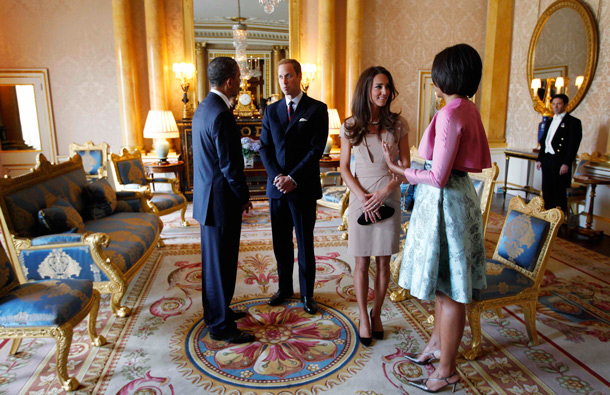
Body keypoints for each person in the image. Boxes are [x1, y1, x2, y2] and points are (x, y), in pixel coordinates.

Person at [383, 43, 491, 392]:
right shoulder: (468, 107)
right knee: (448, 285)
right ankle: (435, 346)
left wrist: (401, 170)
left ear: (446, 75)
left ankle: (447, 370)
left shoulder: (449, 112)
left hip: (446, 203)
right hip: (461, 200)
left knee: (448, 291)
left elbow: (438, 176)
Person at [339, 66, 410, 346]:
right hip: (360, 197)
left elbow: (404, 167)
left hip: (388, 195)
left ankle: (377, 314)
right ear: (367, 89)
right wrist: (363, 197)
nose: (384, 92)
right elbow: (345, 168)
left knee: (383, 260)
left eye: (387, 87)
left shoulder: (398, 124)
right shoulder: (350, 126)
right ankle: (363, 318)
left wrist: (384, 191)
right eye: (378, 86)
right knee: (361, 261)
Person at [259, 58, 329, 315]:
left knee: (304, 242)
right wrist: (278, 176)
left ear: (299, 77)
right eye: (280, 77)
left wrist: (293, 178)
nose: (284, 82)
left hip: (302, 187)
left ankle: (307, 295)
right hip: (276, 188)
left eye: (288, 76)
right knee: (281, 243)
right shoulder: (271, 110)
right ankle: (284, 288)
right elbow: (265, 147)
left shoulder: (317, 109)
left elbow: (315, 150)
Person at [192, 57, 254, 344]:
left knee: (216, 264)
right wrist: (244, 197)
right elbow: (231, 166)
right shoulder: (220, 114)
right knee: (221, 266)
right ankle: (220, 327)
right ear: (229, 81)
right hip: (221, 203)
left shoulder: (203, 109)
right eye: (239, 77)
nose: (241, 82)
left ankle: (218, 313)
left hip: (208, 200)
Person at [536, 93, 582, 214]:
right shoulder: (550, 121)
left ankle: (558, 219)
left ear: (566, 105)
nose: (555, 107)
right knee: (547, 190)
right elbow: (545, 141)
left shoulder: (573, 122)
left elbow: (573, 145)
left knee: (558, 192)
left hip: (560, 161)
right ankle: (547, 216)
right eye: (554, 104)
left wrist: (566, 163)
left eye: (559, 104)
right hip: (548, 159)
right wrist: (540, 159)